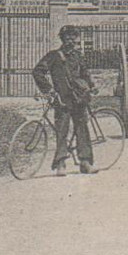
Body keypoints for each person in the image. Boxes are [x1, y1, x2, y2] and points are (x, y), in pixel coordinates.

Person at [32, 27, 96, 174]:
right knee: (62, 131)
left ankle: (85, 162)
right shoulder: (53, 56)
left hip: (79, 99)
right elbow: (37, 72)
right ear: (62, 39)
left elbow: (85, 73)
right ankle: (61, 164)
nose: (71, 40)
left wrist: (91, 86)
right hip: (61, 100)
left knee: (82, 129)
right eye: (68, 37)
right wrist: (49, 91)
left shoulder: (78, 56)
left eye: (74, 37)